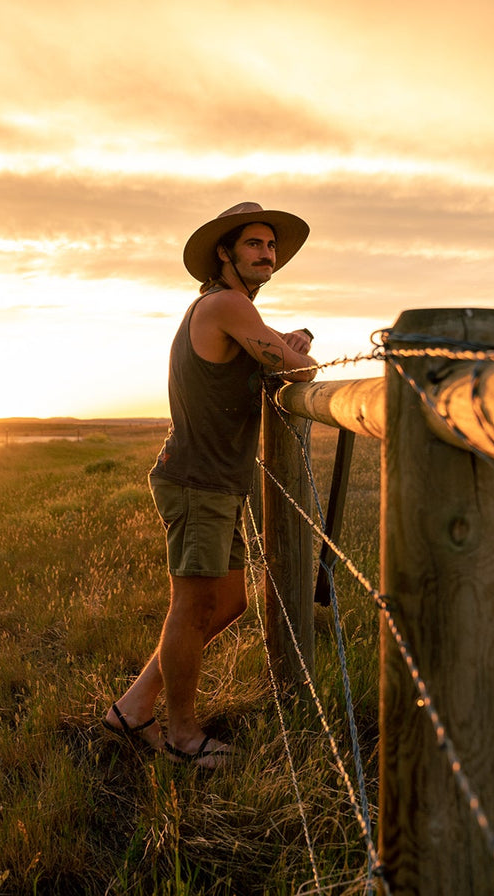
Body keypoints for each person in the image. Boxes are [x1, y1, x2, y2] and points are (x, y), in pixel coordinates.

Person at [104, 202, 319, 769]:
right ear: (224, 253)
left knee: (226, 604)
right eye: (253, 244)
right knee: (192, 605)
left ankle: (133, 706)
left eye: (270, 246)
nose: (266, 254)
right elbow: (297, 371)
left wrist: (281, 340)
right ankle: (179, 734)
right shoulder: (225, 304)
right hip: (198, 481)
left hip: (217, 481)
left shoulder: (235, 311)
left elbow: (272, 355)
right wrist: (291, 347)